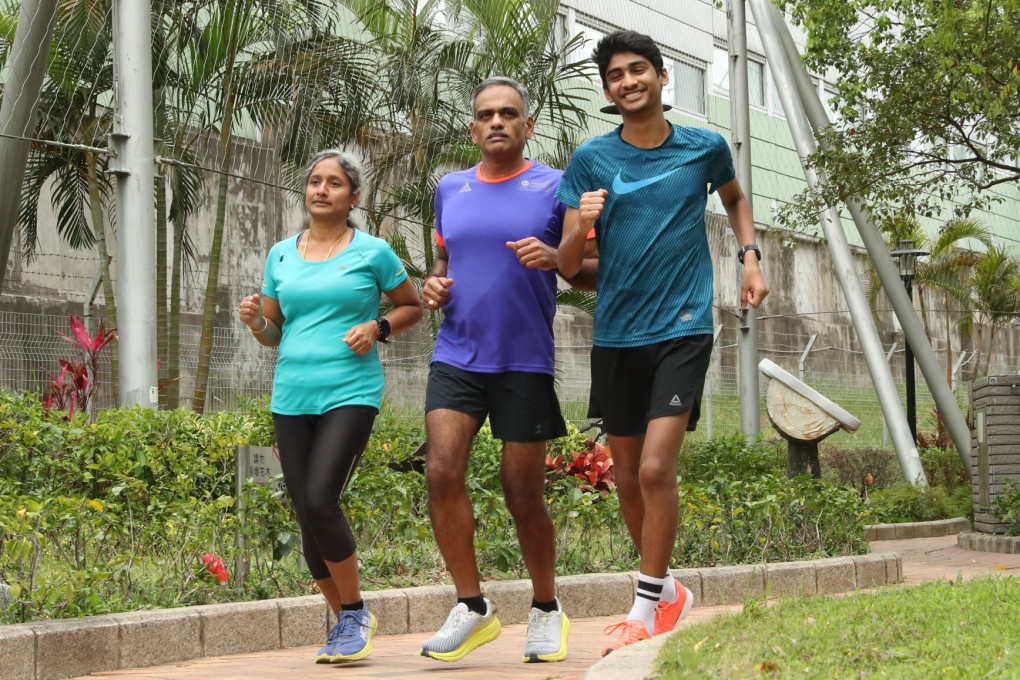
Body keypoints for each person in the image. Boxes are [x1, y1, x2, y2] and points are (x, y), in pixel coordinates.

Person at [556, 31, 769, 656]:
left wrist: (749, 259)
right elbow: (570, 265)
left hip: (682, 325)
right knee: (625, 477)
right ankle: (667, 589)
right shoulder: (590, 160)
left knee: (655, 467)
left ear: (661, 76)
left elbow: (735, 199)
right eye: (617, 75)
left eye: (638, 70)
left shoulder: (704, 147)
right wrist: (582, 224)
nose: (629, 82)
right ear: (607, 90)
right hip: (617, 331)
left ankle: (645, 604)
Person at [418, 77, 597, 664]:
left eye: (508, 114)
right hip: (456, 353)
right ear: (473, 128)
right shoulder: (451, 187)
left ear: (527, 126)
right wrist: (435, 283)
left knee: (522, 493)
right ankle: (472, 607)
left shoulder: (555, 187)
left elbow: (589, 267)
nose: (497, 122)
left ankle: (546, 609)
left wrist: (556, 258)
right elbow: (445, 255)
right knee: (442, 472)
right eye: (486, 115)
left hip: (523, 360)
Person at [238, 149, 422, 664]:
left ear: (353, 196)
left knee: (320, 499)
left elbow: (413, 307)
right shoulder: (280, 254)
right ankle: (345, 623)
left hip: (351, 391)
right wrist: (255, 321)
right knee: (306, 513)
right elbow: (273, 334)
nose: (322, 189)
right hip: (292, 395)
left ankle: (356, 611)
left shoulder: (373, 252)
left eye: (334, 183)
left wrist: (377, 327)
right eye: (315, 181)